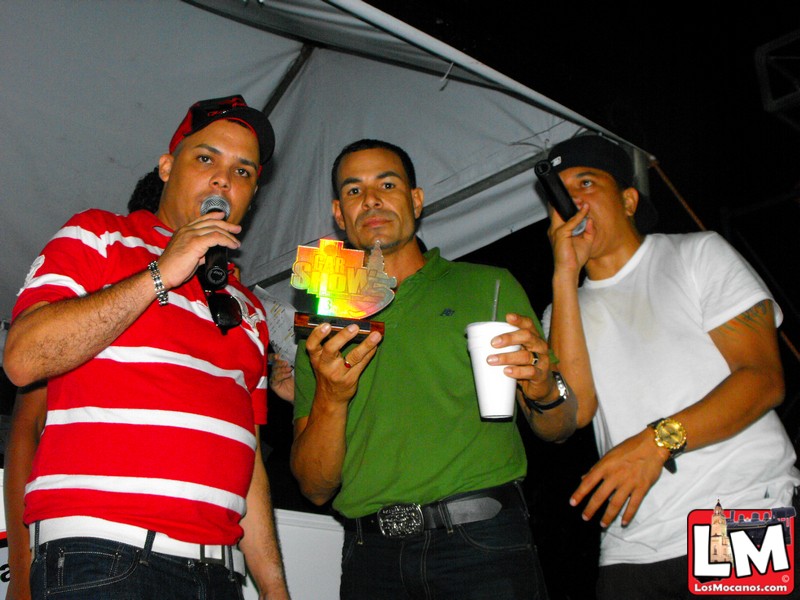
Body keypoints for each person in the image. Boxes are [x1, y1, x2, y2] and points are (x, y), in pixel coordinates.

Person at [2, 95, 290, 599]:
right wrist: (160, 273)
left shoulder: (249, 308)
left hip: (219, 574)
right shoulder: (99, 236)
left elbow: (247, 459)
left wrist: (272, 586)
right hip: (101, 557)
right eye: (206, 159)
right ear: (166, 166)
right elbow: (24, 359)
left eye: (243, 172)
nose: (224, 179)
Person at [290, 138, 577, 599]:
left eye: (387, 183)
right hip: (371, 556)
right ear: (339, 215)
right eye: (354, 191)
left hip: (483, 544)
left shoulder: (489, 286)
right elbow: (314, 487)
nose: (372, 200)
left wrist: (544, 387)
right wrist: (331, 395)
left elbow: (558, 428)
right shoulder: (323, 322)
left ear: (416, 200)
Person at [543, 133, 800, 599]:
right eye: (559, 193)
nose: (572, 200)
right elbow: (570, 416)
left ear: (627, 199)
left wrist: (657, 441)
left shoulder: (696, 254)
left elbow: (763, 379)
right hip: (631, 544)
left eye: (586, 182)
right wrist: (564, 274)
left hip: (738, 510)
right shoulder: (560, 310)